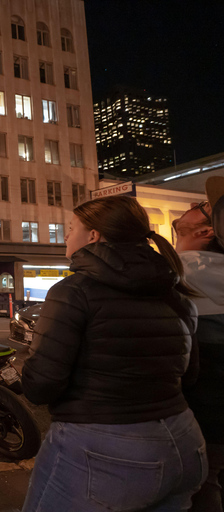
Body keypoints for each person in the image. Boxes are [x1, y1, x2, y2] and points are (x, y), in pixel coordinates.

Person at [21, 195, 206, 512]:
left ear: (93, 235)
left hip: (103, 449)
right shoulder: (174, 291)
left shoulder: (73, 291)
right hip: (185, 441)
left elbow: (41, 385)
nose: (66, 235)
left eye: (70, 227)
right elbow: (189, 374)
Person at [176, 178, 224, 512]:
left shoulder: (180, 273)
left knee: (200, 487)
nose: (195, 205)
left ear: (208, 231)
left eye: (204, 208)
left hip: (203, 415)